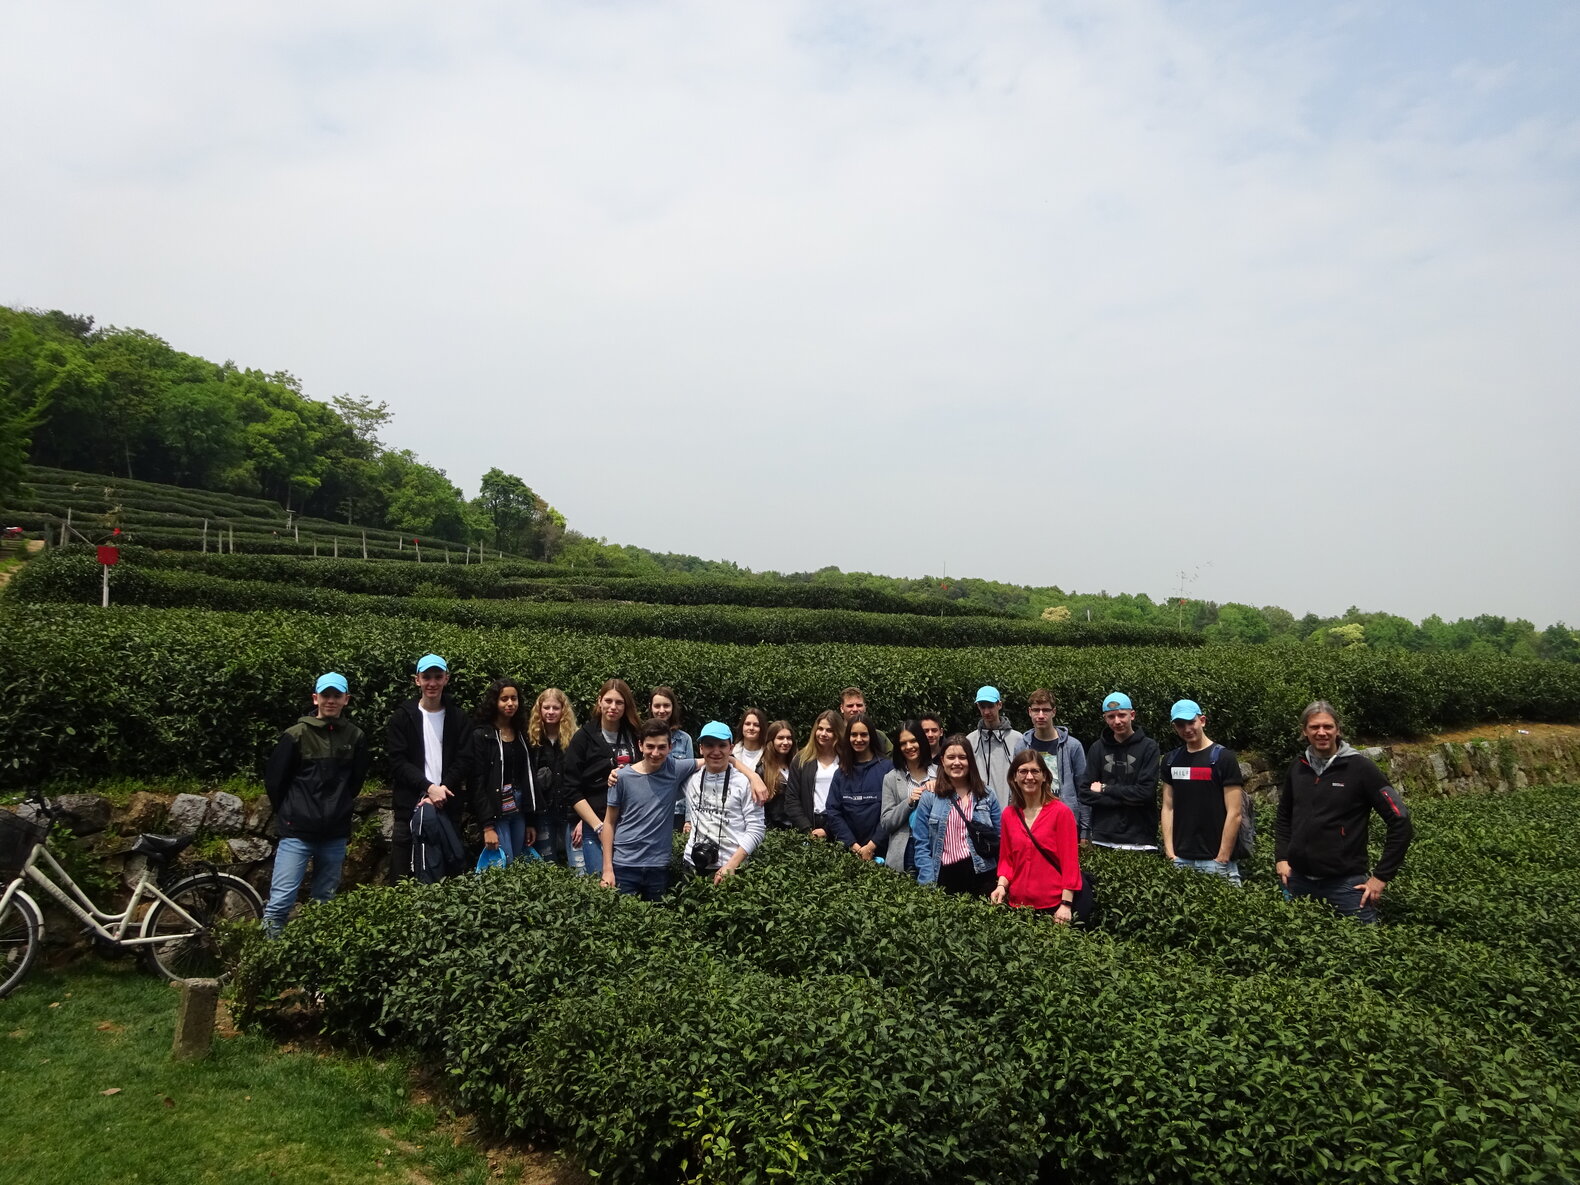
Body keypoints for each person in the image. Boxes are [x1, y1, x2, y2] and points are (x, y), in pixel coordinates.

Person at [1276, 700, 1414, 923]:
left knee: (1365, 950)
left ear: (1338, 729)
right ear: (1304, 731)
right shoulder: (1298, 766)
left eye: (1328, 726)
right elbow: (1284, 816)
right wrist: (1282, 857)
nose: (1321, 732)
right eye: (1314, 727)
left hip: (1346, 885)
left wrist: (1380, 877)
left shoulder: (1361, 769)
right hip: (1298, 881)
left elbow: (1400, 820)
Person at [262, 672, 370, 936]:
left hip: (334, 833)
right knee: (280, 902)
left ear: (346, 699)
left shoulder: (355, 737)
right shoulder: (295, 735)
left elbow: (355, 782)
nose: (330, 700)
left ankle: (315, 964)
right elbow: (276, 782)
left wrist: (339, 808)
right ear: (315, 698)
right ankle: (266, 965)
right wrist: (291, 813)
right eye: (325, 695)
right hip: (297, 831)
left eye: (336, 695)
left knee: (325, 903)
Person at [597, 719, 711, 900]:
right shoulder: (621, 777)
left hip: (658, 866)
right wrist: (607, 869)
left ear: (670, 747)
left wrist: (753, 777)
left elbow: (714, 758)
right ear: (640, 745)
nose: (655, 753)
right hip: (624, 865)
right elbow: (609, 823)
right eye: (650, 746)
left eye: (661, 747)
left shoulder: (674, 768)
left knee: (657, 923)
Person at [387, 654, 473, 881]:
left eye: (437, 676)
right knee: (402, 876)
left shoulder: (458, 718)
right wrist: (428, 788)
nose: (432, 683)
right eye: (426, 677)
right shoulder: (402, 718)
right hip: (409, 807)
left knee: (448, 874)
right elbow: (398, 762)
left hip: (447, 805)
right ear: (417, 680)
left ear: (447, 679)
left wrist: (442, 789)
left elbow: (464, 759)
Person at [992, 750, 1086, 923]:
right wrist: (1001, 886)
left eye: (1035, 771)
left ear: (1044, 776)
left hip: (1054, 906)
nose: (1029, 777)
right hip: (1017, 905)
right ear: (1014, 777)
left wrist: (1066, 904)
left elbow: (1070, 862)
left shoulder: (1061, 812)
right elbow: (1007, 860)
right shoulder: (1009, 814)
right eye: (1023, 771)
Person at [1161, 698, 1245, 886]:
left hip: (1216, 861)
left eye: (1191, 722)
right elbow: (1168, 807)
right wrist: (1170, 853)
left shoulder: (1224, 758)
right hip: (1181, 859)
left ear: (1203, 720)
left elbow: (1235, 812)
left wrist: (1222, 856)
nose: (1187, 729)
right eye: (1180, 725)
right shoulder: (1170, 760)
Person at [564, 679, 642, 876]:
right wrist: (596, 826)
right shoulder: (583, 737)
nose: (613, 707)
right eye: (608, 701)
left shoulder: (635, 735)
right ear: (599, 702)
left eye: (619, 702)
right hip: (596, 823)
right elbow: (571, 788)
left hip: (630, 822)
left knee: (627, 882)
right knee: (602, 882)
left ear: (626, 706)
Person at [911, 734, 1002, 895]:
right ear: (942, 761)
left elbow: (1001, 838)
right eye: (951, 757)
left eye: (962, 757)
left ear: (970, 761)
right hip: (945, 877)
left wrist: (1001, 882)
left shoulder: (987, 794)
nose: (957, 762)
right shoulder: (930, 797)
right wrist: (927, 884)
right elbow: (921, 845)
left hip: (983, 875)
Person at [681, 722, 769, 881]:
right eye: (709, 745)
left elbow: (756, 828)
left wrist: (731, 865)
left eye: (722, 745)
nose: (716, 751)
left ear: (731, 748)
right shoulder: (690, 780)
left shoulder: (745, 783)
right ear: (701, 748)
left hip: (729, 868)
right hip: (691, 863)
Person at [1079, 692, 1161, 852]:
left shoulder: (1149, 747)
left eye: (1121, 715)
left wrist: (1105, 789)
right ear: (1105, 718)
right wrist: (1129, 799)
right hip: (1102, 838)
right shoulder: (1097, 748)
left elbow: (1146, 793)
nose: (1117, 721)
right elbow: (1084, 793)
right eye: (1111, 716)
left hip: (1141, 839)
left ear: (1132, 715)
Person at [469, 679, 539, 864]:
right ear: (495, 702)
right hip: (496, 809)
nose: (510, 704)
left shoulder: (522, 733)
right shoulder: (482, 735)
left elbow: (528, 777)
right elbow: (477, 781)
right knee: (503, 861)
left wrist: (531, 821)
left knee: (517, 861)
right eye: (504, 699)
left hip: (518, 806)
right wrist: (487, 826)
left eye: (514, 698)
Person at [1019, 689, 1089, 843]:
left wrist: (1085, 831)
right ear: (1029, 712)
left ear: (1054, 712)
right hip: (1031, 821)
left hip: (1065, 821)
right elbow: (1016, 787)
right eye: (1036, 710)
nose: (1041, 715)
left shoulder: (1073, 746)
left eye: (1046, 710)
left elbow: (1083, 789)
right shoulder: (1021, 746)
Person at [826, 714, 892, 861]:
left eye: (863, 734)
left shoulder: (887, 769)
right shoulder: (840, 773)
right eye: (853, 734)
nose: (858, 739)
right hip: (848, 854)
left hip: (881, 853)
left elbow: (892, 812)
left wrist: (871, 846)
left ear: (872, 737)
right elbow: (833, 811)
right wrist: (853, 846)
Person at [879, 720, 935, 874]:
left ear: (921, 741)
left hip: (935, 847)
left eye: (913, 741)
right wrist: (908, 802)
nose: (909, 747)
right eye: (903, 743)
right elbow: (886, 822)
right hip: (906, 850)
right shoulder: (891, 778)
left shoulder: (940, 774)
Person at [527, 688, 576, 863]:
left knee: (579, 864)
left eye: (555, 708)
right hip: (542, 812)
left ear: (563, 710)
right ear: (539, 710)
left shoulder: (574, 739)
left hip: (570, 811)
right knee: (547, 863)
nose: (550, 712)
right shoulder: (532, 740)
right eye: (546, 707)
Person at [786, 709, 843, 836]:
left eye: (829, 730)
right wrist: (806, 829)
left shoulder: (845, 760)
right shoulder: (801, 759)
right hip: (807, 827)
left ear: (838, 733)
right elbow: (792, 799)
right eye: (820, 729)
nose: (823, 733)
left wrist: (827, 830)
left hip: (837, 826)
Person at [967, 686, 1026, 806]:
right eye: (982, 706)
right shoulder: (970, 740)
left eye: (990, 706)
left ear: (999, 705)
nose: (986, 712)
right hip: (977, 812)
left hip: (1009, 810)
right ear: (978, 707)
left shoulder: (1017, 739)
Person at [650, 686, 692, 833]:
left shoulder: (684, 739)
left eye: (666, 705)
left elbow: (690, 781)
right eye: (657, 705)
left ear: (673, 708)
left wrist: (689, 818)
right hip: (650, 809)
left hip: (676, 810)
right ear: (651, 707)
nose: (662, 710)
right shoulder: (642, 737)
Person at [758, 720, 799, 830]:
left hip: (799, 830)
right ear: (771, 741)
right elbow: (760, 810)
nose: (786, 742)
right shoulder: (762, 770)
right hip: (774, 833)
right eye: (780, 738)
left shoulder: (799, 766)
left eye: (789, 738)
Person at [839, 687, 890, 755]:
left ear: (865, 707)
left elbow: (891, 759)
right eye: (850, 706)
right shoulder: (835, 736)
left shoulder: (879, 736)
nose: (855, 709)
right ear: (842, 708)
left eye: (859, 705)